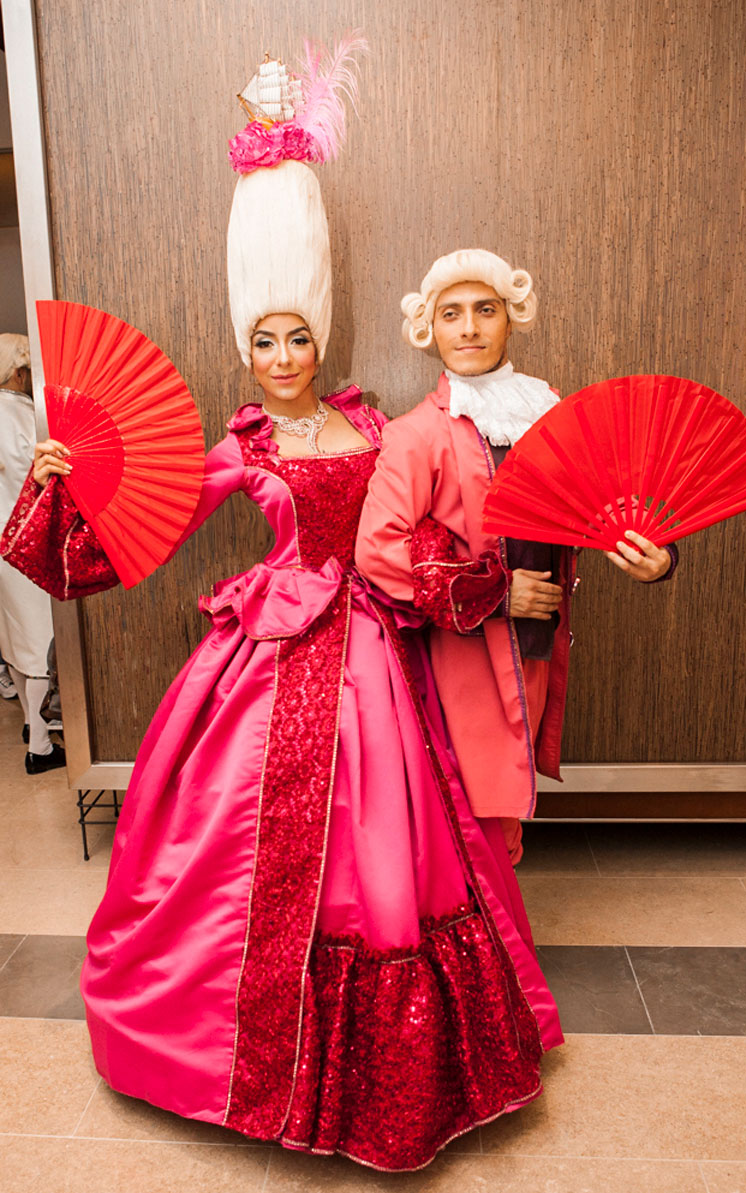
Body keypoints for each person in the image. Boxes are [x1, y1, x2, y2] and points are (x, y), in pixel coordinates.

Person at [3, 82, 562, 1171]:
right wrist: (60, 481)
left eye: (297, 335)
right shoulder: (242, 447)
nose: (284, 353)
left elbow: (419, 521)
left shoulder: (373, 422)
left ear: (318, 339)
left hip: (379, 644)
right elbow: (133, 536)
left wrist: (488, 575)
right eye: (265, 339)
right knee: (243, 838)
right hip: (274, 647)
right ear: (248, 351)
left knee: (396, 841)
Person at [356, 250, 677, 863]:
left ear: (510, 318)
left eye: (485, 310)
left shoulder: (548, 409)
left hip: (536, 634)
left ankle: (493, 911)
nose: (469, 328)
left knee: (505, 792)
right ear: (430, 328)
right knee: (476, 797)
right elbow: (377, 550)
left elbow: (607, 500)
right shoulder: (416, 433)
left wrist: (658, 556)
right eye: (451, 314)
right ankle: (483, 918)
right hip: (462, 649)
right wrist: (497, 593)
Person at [0, 333, 65, 773]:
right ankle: (40, 747)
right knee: (42, 643)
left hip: (0, 546)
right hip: (26, 541)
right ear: (20, 373)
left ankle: (29, 724)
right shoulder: (26, 416)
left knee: (15, 641)